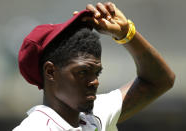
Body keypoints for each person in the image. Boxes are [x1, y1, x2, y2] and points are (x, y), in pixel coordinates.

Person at [13, 2, 175, 131]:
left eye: (97, 73)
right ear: (50, 72)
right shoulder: (34, 128)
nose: (95, 82)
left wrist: (126, 34)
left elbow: (158, 81)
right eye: (83, 72)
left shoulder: (95, 116)